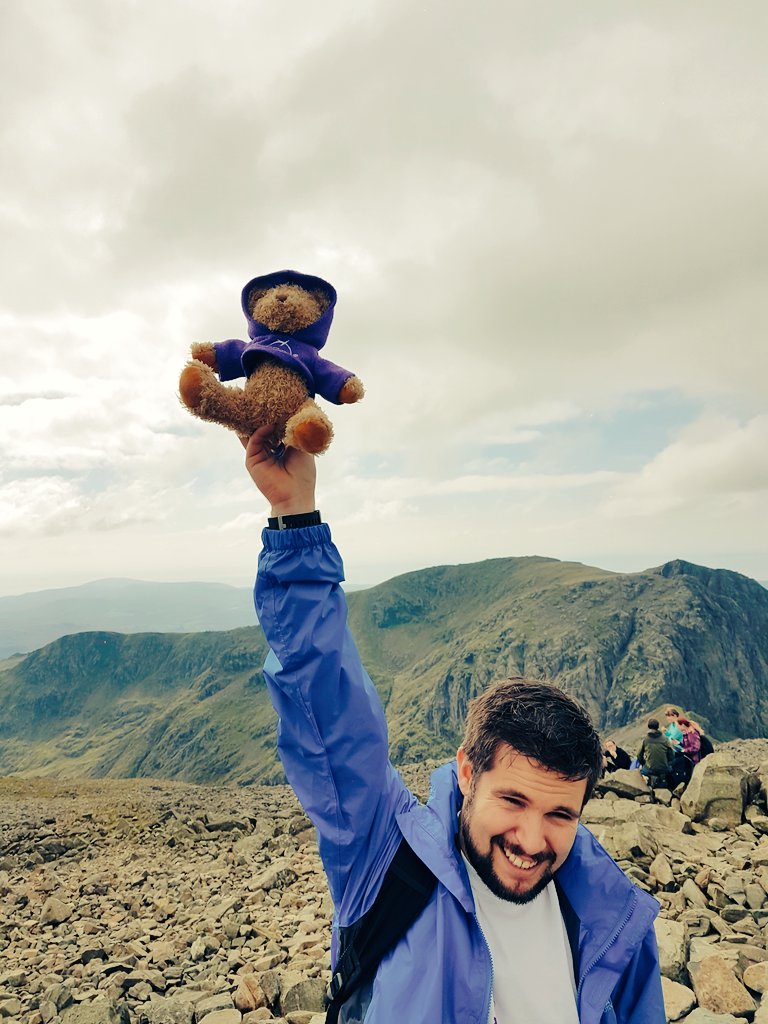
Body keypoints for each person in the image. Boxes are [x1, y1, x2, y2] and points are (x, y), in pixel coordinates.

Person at [244, 425, 665, 1024]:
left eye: (559, 814)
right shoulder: (385, 858)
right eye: (513, 799)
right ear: (467, 772)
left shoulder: (613, 918)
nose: (529, 838)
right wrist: (294, 517)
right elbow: (330, 712)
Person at [636, 719, 675, 787]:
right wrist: (666, 762)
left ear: (649, 727)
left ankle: (648, 783)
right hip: (664, 768)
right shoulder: (665, 739)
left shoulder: (645, 739)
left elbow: (639, 755)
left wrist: (643, 763)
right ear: (658, 727)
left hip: (650, 769)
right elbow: (672, 754)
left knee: (640, 772)